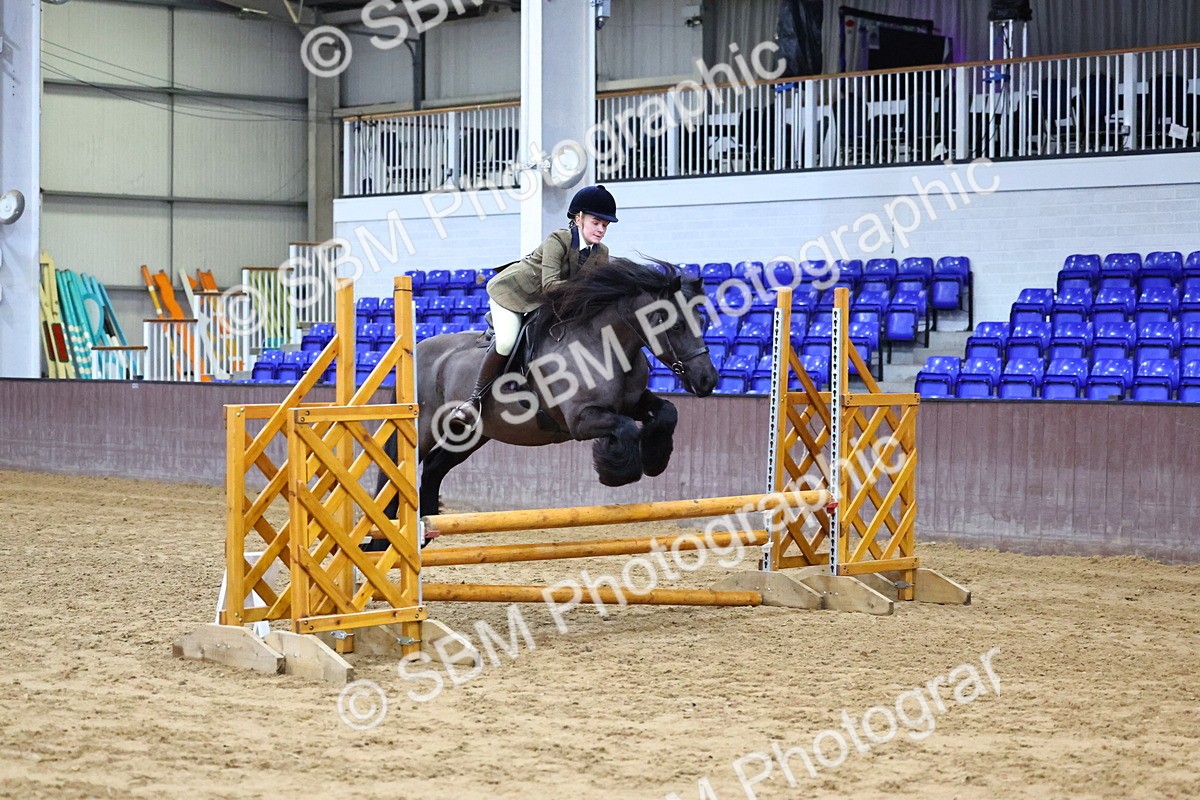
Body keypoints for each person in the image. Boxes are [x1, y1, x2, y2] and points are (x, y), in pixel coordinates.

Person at [449, 184, 619, 424]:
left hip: (546, 303)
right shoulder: (558, 240)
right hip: (513, 295)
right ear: (579, 218)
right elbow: (550, 285)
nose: (601, 229)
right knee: (507, 341)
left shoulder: (601, 252)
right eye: (596, 222)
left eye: (605, 225)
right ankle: (473, 401)